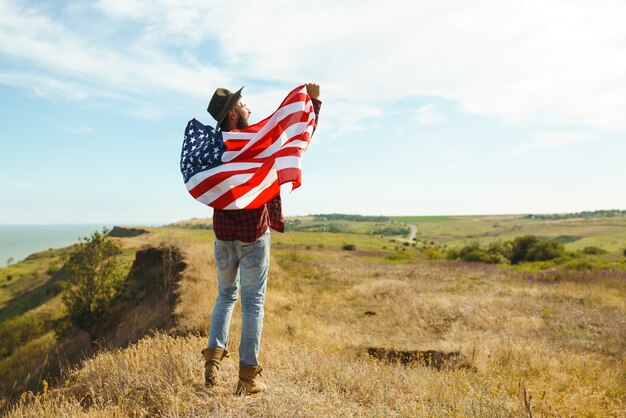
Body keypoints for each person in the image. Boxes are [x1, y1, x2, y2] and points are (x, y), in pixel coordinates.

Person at [202, 83, 322, 395]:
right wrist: (313, 103)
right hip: (253, 236)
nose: (250, 109)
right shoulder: (254, 142)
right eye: (244, 105)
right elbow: (296, 138)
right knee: (253, 304)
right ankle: (247, 380)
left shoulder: (215, 146)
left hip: (222, 236)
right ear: (233, 113)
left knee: (225, 296)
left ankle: (212, 362)